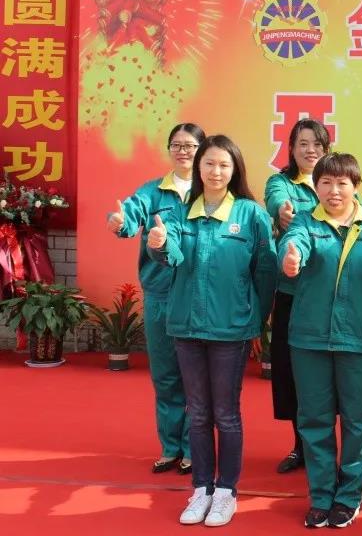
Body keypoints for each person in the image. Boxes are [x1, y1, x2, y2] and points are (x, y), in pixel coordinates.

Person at [147, 135, 277, 527]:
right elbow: (170, 254)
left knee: (226, 414)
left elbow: (266, 272)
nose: (215, 171)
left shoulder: (251, 215)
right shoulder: (180, 213)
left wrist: (256, 319)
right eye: (209, 163)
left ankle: (226, 492)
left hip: (230, 331)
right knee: (198, 412)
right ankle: (201, 488)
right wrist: (158, 244)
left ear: (234, 169)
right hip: (186, 327)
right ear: (198, 168)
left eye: (223, 164)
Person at [280, 152, 362, 529]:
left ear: (356, 186)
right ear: (315, 187)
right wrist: (291, 257)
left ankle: (348, 497)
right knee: (314, 419)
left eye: (342, 183)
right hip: (310, 340)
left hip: (360, 340)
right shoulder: (305, 221)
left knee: (358, 421)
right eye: (326, 183)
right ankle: (320, 496)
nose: (334, 191)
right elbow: (294, 244)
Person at [107, 122, 205, 476]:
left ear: (202, 150)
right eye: (176, 145)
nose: (183, 151)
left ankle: (194, 448)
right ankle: (170, 447)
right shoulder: (152, 191)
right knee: (165, 375)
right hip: (161, 294)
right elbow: (129, 217)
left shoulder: (209, 191)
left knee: (196, 377)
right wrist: (119, 221)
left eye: (190, 145)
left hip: (198, 294)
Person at [263, 118, 330, 474]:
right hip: (291, 294)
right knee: (291, 372)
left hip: (328, 296)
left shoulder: (334, 182)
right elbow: (278, 203)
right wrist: (283, 212)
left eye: (317, 144)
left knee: (327, 374)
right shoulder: (281, 182)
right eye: (303, 143)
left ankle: (327, 447)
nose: (310, 150)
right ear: (291, 148)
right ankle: (300, 446)